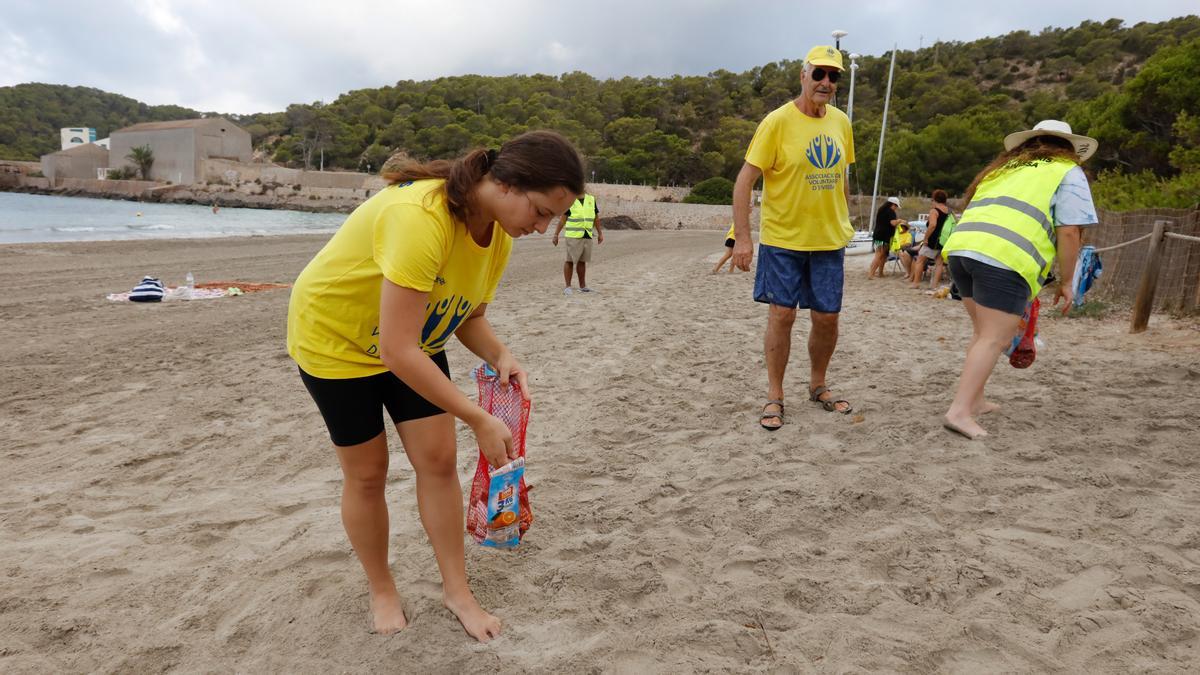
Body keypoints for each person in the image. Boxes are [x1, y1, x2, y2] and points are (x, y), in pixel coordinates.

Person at [286, 131, 583, 641]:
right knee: (367, 473)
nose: (543, 226)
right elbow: (396, 351)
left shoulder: (497, 236)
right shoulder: (421, 217)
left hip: (410, 339)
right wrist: (478, 417)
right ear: (508, 184)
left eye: (552, 218)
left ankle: (457, 591)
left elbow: (467, 317)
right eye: (540, 212)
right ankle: (382, 588)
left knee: (439, 462)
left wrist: (501, 354)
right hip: (335, 341)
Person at [941, 119, 1097, 439]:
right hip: (1005, 257)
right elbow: (1069, 231)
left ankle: (976, 399)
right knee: (994, 338)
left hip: (961, 249)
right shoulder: (1066, 171)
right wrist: (1067, 282)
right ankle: (959, 411)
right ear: (1069, 149)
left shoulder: (1004, 169)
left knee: (983, 333)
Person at [731, 45, 856, 430]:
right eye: (818, 74)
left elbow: (843, 178)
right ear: (803, 76)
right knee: (782, 315)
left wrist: (846, 220)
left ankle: (817, 385)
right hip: (783, 239)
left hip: (828, 240)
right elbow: (743, 182)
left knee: (827, 318)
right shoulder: (777, 122)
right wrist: (743, 238)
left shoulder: (841, 123)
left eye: (833, 76)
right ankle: (775, 394)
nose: (826, 82)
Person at [552, 192, 603, 294]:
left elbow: (596, 218)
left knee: (582, 261)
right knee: (569, 260)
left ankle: (583, 286)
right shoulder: (569, 200)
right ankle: (567, 287)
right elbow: (563, 219)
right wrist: (556, 234)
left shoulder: (591, 200)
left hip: (587, 234)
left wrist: (600, 233)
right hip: (573, 235)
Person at [909, 190, 951, 289]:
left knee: (920, 260)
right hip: (944, 240)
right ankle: (934, 285)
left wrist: (926, 238)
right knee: (939, 263)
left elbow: (932, 225)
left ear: (935, 199)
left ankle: (916, 283)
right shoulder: (949, 211)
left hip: (933, 240)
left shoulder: (934, 211)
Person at [868, 197, 905, 279]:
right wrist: (899, 221)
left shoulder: (881, 210)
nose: (896, 208)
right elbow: (893, 223)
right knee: (880, 254)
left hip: (878, 235)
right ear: (892, 204)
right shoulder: (891, 211)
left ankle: (880, 273)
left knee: (883, 255)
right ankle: (871, 274)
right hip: (883, 236)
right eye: (896, 206)